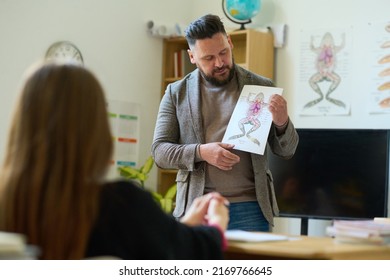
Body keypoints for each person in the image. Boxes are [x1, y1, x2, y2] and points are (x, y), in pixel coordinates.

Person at [0, 61, 229, 260]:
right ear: (95, 127)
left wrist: (183, 227)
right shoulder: (122, 205)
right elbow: (186, 257)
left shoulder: (9, 206)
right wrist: (216, 227)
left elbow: (163, 243)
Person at [152, 14, 299, 232]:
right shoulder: (176, 93)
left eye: (223, 52)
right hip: (199, 207)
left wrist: (281, 122)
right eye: (208, 58)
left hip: (252, 207)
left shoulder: (261, 85)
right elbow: (160, 152)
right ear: (192, 57)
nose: (219, 63)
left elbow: (287, 151)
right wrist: (202, 152)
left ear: (230, 42)